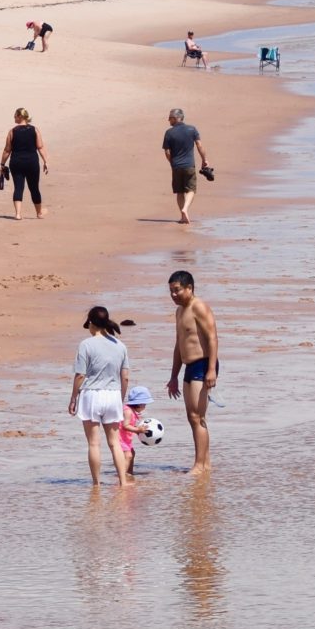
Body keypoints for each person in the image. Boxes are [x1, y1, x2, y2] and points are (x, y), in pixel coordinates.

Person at [66, 306, 134, 488]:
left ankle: (96, 484)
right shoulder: (120, 346)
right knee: (115, 443)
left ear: (91, 323)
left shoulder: (86, 345)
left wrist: (73, 398)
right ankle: (123, 481)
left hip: (92, 396)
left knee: (94, 444)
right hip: (113, 395)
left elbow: (80, 375)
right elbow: (125, 376)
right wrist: (120, 399)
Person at [165, 270, 218, 475]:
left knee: (198, 416)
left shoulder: (199, 307)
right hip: (189, 366)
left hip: (203, 364)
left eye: (177, 290)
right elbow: (179, 345)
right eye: (171, 291)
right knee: (191, 416)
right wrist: (173, 377)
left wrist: (211, 370)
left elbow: (212, 338)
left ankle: (200, 465)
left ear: (189, 288)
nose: (173, 295)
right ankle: (205, 463)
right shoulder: (179, 312)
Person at [161, 107, 209, 224]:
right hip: (189, 166)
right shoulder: (192, 129)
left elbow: (167, 152)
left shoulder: (169, 133)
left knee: (179, 192)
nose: (168, 120)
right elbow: (199, 146)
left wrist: (172, 163)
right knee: (191, 189)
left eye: (170, 118)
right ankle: (185, 209)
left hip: (176, 166)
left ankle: (182, 216)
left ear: (177, 118)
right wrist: (205, 160)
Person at [0, 107, 49, 219]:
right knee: (34, 187)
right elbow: (40, 147)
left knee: (18, 187)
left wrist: (2, 164)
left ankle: (18, 214)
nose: (14, 118)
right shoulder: (34, 130)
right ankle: (39, 213)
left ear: (20, 117)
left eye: (15, 116)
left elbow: (7, 150)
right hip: (32, 162)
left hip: (16, 162)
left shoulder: (12, 131)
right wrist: (45, 161)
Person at [121, 385, 153, 477]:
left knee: (132, 453)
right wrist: (138, 430)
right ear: (139, 403)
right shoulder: (128, 411)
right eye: (144, 404)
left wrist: (137, 428)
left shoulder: (131, 411)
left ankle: (129, 473)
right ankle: (122, 475)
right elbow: (125, 425)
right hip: (121, 439)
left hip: (126, 439)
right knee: (128, 456)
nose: (145, 406)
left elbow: (128, 425)